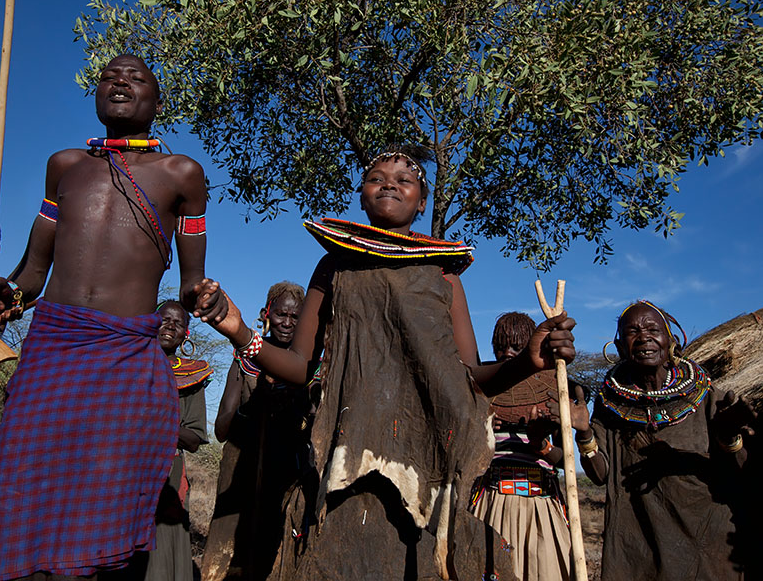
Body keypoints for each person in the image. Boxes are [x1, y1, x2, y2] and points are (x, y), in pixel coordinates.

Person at [202, 146, 576, 580]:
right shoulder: (336, 264)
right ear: (361, 197)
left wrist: (529, 363)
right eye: (376, 177)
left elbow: (469, 379)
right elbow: (303, 367)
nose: (389, 185)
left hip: (426, 462)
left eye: (405, 180)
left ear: (421, 202)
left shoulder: (443, 275)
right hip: (345, 461)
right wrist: (239, 331)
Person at [0, 54, 225, 581]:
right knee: (22, 485)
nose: (120, 83)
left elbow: (188, 279)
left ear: (158, 103)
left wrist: (200, 298)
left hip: (126, 353)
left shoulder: (182, 174)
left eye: (136, 79)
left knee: (105, 499)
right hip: (51, 347)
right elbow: (32, 273)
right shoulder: (64, 166)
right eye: (110, 77)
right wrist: (0, 297)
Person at [560, 301, 753, 580]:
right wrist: (583, 433)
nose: (644, 337)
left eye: (653, 329)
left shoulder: (710, 398)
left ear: (670, 341)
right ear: (620, 346)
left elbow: (743, 471)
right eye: (633, 331)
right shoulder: (611, 406)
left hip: (708, 545)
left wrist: (729, 436)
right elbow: (602, 475)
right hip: (639, 544)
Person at [202, 281, 312, 580]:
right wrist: (255, 407)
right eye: (280, 315)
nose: (287, 323)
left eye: (295, 318)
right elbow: (222, 428)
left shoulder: (310, 367)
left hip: (289, 475)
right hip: (242, 472)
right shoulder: (244, 358)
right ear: (266, 314)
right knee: (233, 555)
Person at [469, 312, 571, 581]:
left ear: (530, 345)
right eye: (500, 346)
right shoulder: (481, 391)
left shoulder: (556, 388)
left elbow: (566, 461)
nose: (506, 353)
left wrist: (541, 445)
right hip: (491, 502)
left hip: (540, 508)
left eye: (515, 346)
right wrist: (484, 430)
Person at [140, 300, 210, 581]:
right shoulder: (128, 365)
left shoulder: (190, 376)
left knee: (161, 553)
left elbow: (193, 439)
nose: (169, 326)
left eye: (178, 323)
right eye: (164, 319)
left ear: (186, 334)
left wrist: (159, 422)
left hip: (168, 477)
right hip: (120, 471)